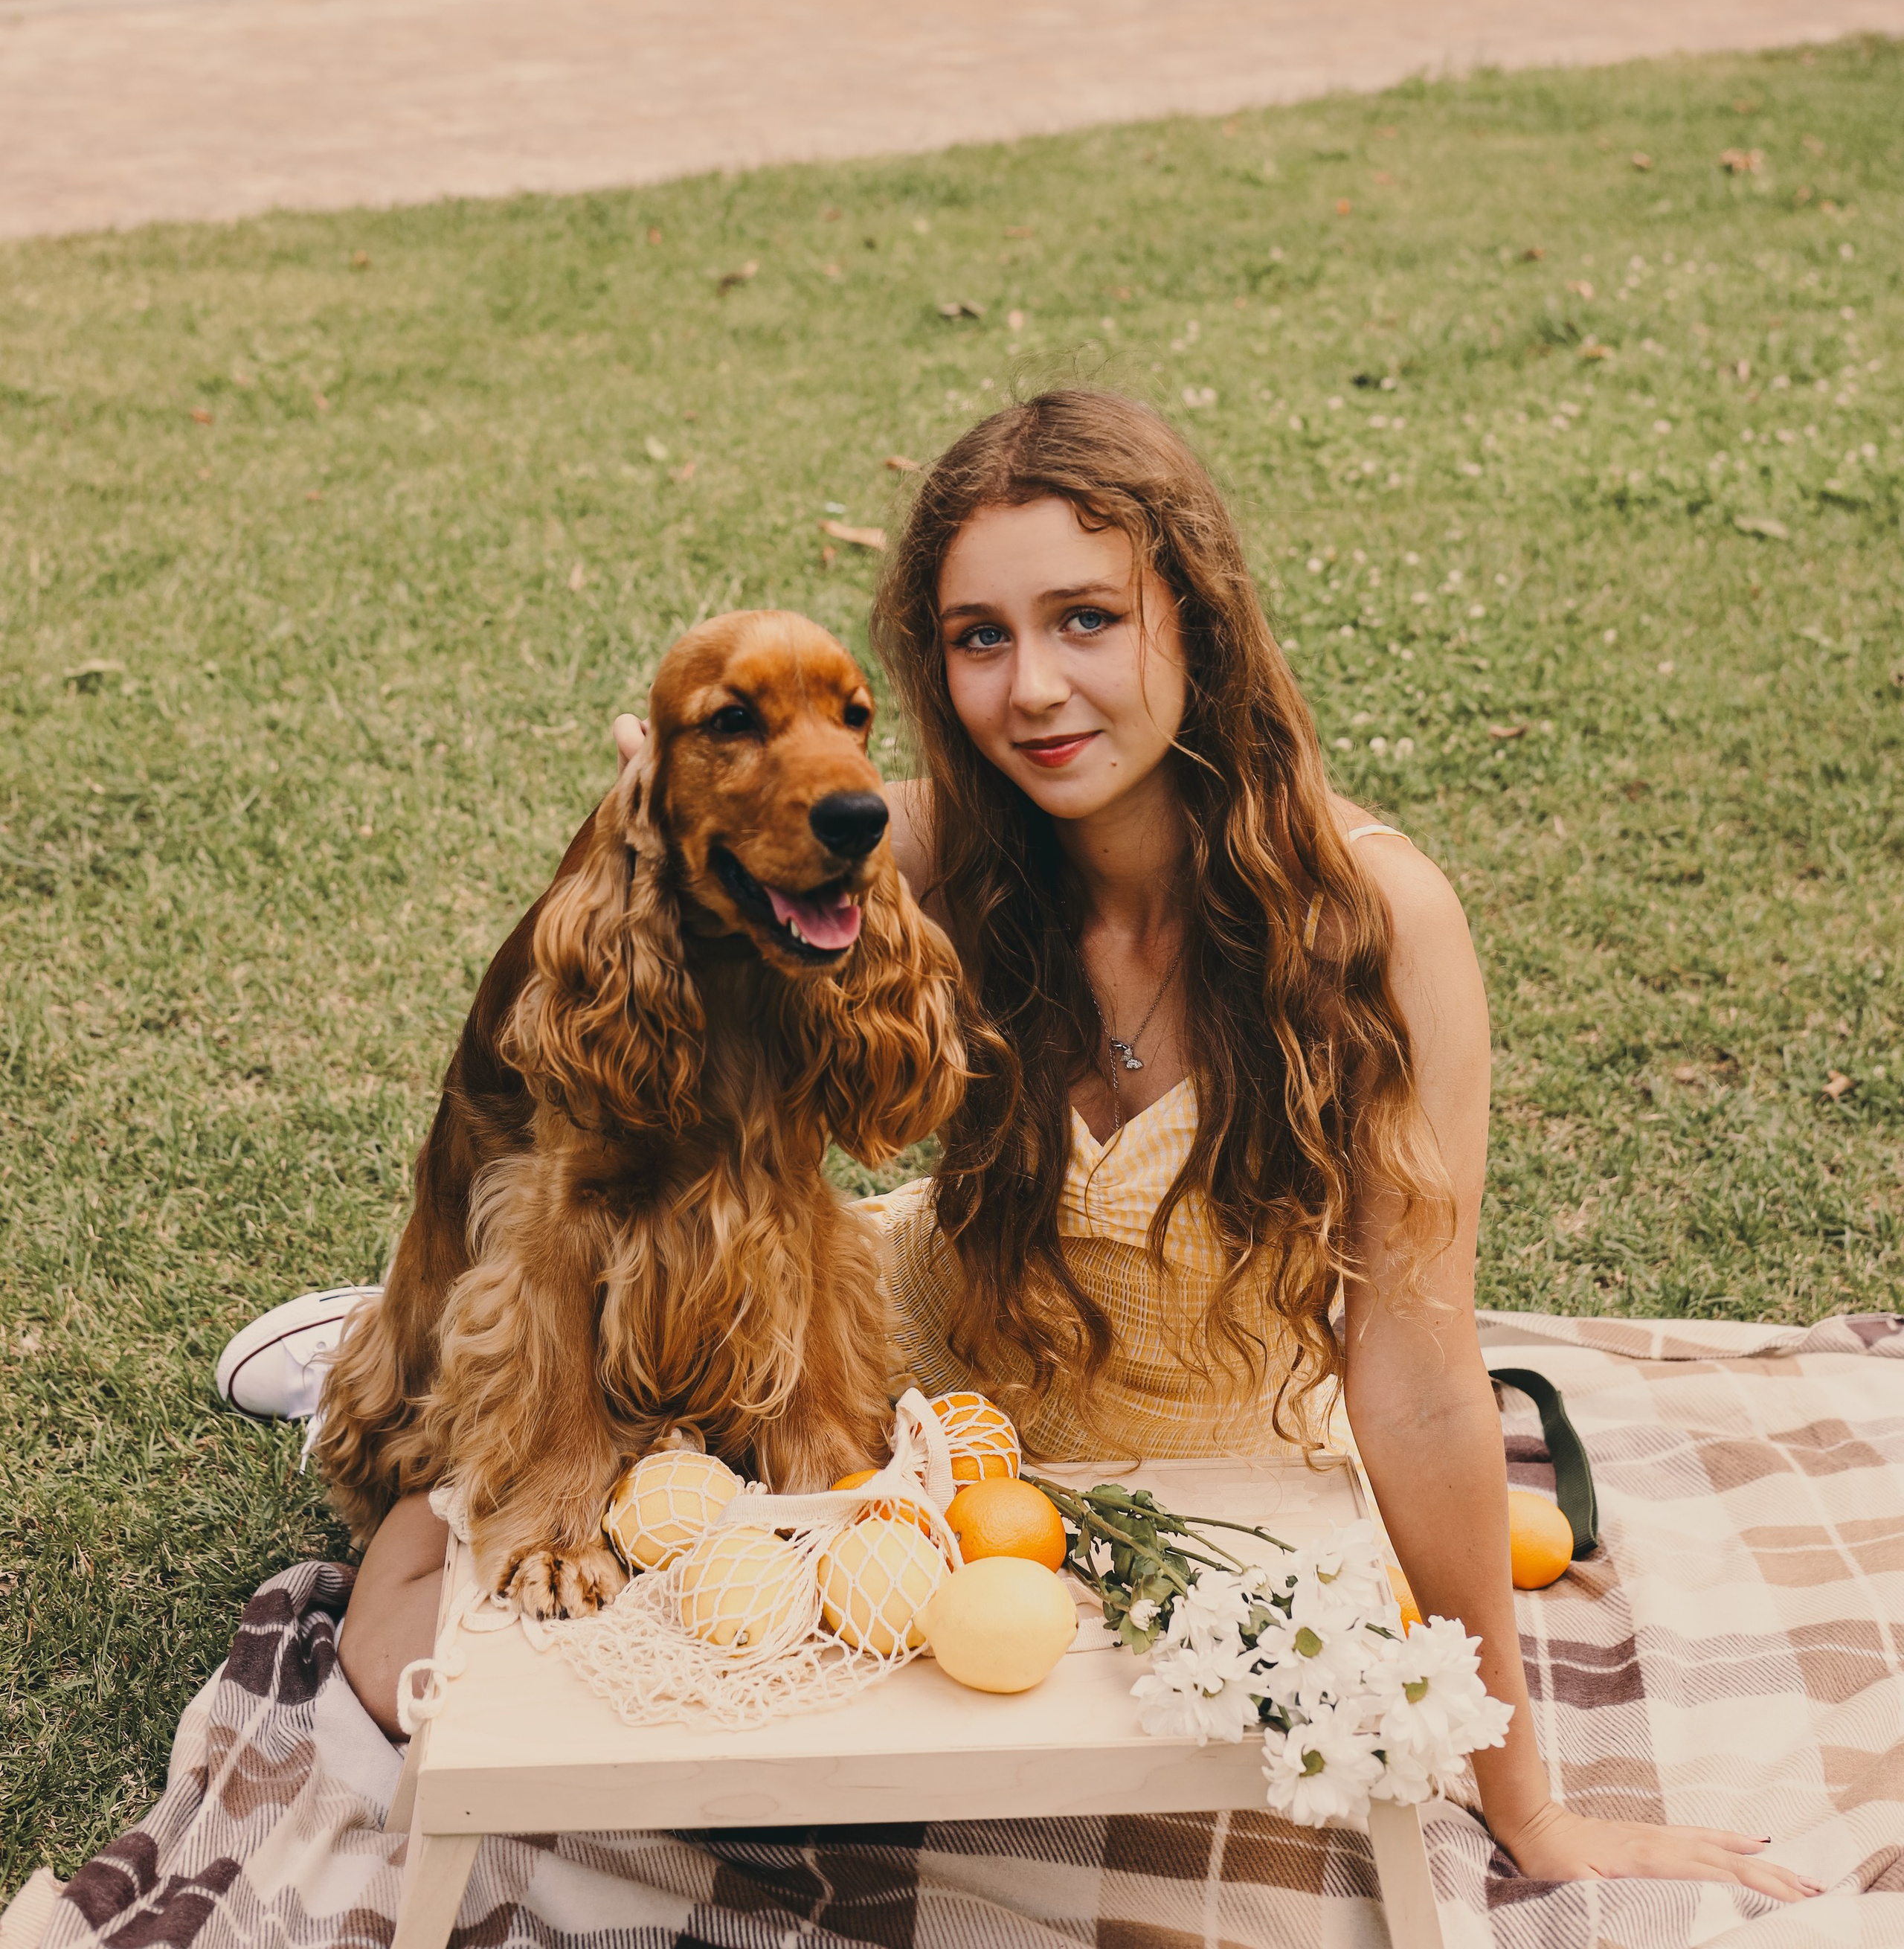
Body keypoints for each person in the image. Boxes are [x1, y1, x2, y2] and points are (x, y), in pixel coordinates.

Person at [223, 390, 1814, 1906]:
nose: (1033, 690)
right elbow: (580, 1012)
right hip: (893, 1415)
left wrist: (1521, 1801)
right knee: (409, 1635)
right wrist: (634, 813)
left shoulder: (1374, 920)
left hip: (1184, 1489)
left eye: (1085, 620)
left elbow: (1410, 1353)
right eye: (978, 640)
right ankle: (376, 1344)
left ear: (1190, 613)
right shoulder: (916, 850)